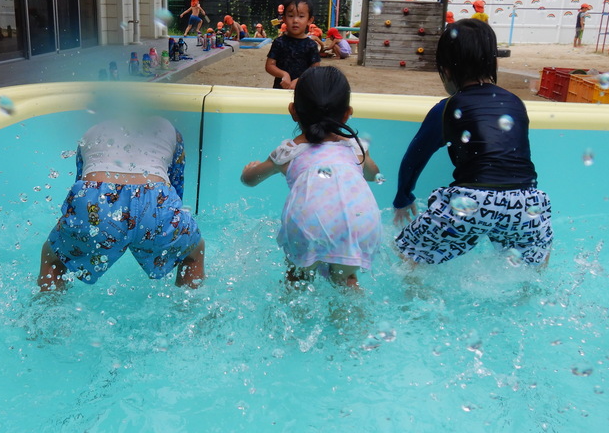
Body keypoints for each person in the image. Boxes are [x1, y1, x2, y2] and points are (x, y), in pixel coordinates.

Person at [392, 18, 553, 267]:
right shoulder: (515, 103)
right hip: (526, 202)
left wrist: (403, 197)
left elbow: (414, 158)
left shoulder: (447, 109)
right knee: (535, 258)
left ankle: (416, 300)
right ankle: (526, 294)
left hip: (470, 203)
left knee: (406, 251)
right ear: (492, 62)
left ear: (446, 70)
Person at [240, 66, 382, 288]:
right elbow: (374, 175)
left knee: (297, 279)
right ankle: (357, 322)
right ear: (347, 113)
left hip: (309, 223)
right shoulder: (356, 148)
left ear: (293, 110)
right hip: (359, 221)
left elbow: (250, 180)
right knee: (346, 282)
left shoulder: (288, 152)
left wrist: (249, 169)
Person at [38, 114, 206, 290]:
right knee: (194, 250)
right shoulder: (172, 130)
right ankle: (189, 310)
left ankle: (47, 308)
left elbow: (81, 188)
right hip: (155, 201)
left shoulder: (90, 131)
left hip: (97, 199)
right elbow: (176, 188)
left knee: (53, 256)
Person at [265, 0, 321, 89]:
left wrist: (301, 79)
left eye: (301, 16)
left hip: (304, 91)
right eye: (291, 16)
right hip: (281, 90)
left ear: (309, 20)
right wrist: (283, 74)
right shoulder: (279, 42)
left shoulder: (311, 45)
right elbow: (269, 66)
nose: (295, 20)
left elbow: (315, 70)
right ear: (284, 19)